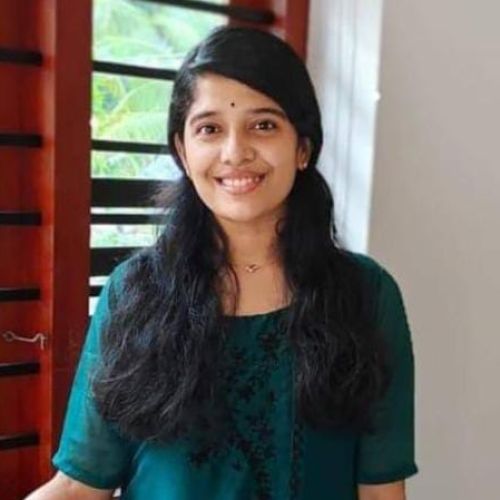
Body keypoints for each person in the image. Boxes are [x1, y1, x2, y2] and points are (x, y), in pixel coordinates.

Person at [27, 26, 418, 500]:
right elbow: (78, 485)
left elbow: (380, 492)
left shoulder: (366, 296)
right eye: (210, 129)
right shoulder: (134, 292)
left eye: (263, 125)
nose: (236, 153)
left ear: (303, 148)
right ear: (182, 150)